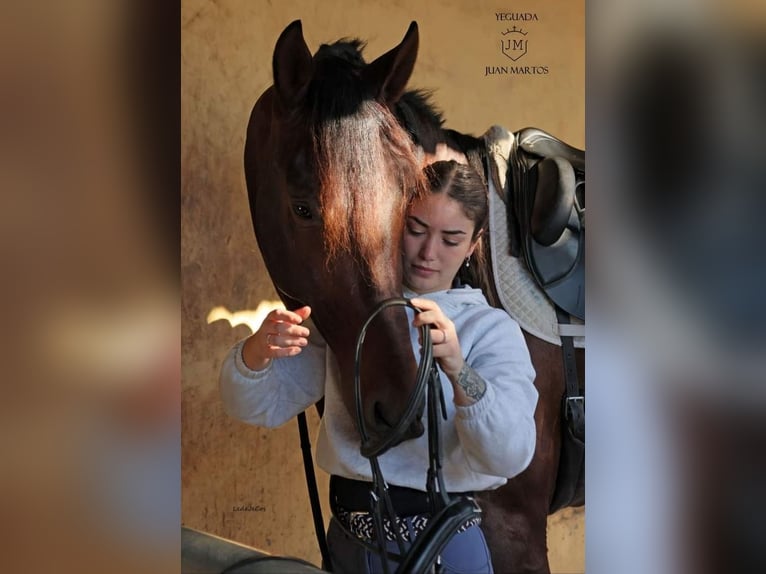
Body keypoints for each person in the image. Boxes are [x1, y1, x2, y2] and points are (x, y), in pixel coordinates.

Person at [219, 161, 538, 574]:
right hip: (349, 543)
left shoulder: (490, 328)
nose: (428, 253)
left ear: (474, 243)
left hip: (443, 548)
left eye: (450, 239)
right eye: (417, 229)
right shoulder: (348, 314)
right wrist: (258, 352)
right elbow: (256, 406)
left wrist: (459, 369)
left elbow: (510, 455)